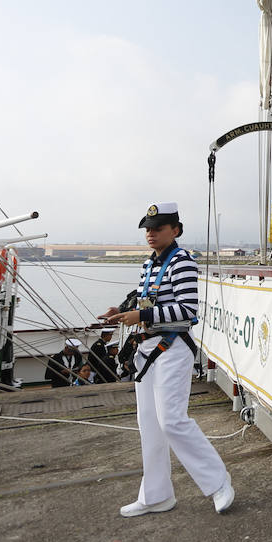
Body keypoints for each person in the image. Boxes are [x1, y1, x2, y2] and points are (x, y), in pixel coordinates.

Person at [99, 201, 233, 517]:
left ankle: (218, 482)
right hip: (146, 351)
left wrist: (141, 314)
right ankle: (156, 495)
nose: (151, 233)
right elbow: (144, 295)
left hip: (173, 349)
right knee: (149, 425)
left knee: (171, 420)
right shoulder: (149, 264)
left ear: (175, 230)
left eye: (157, 228)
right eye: (147, 228)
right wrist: (120, 311)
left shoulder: (182, 262)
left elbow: (187, 311)